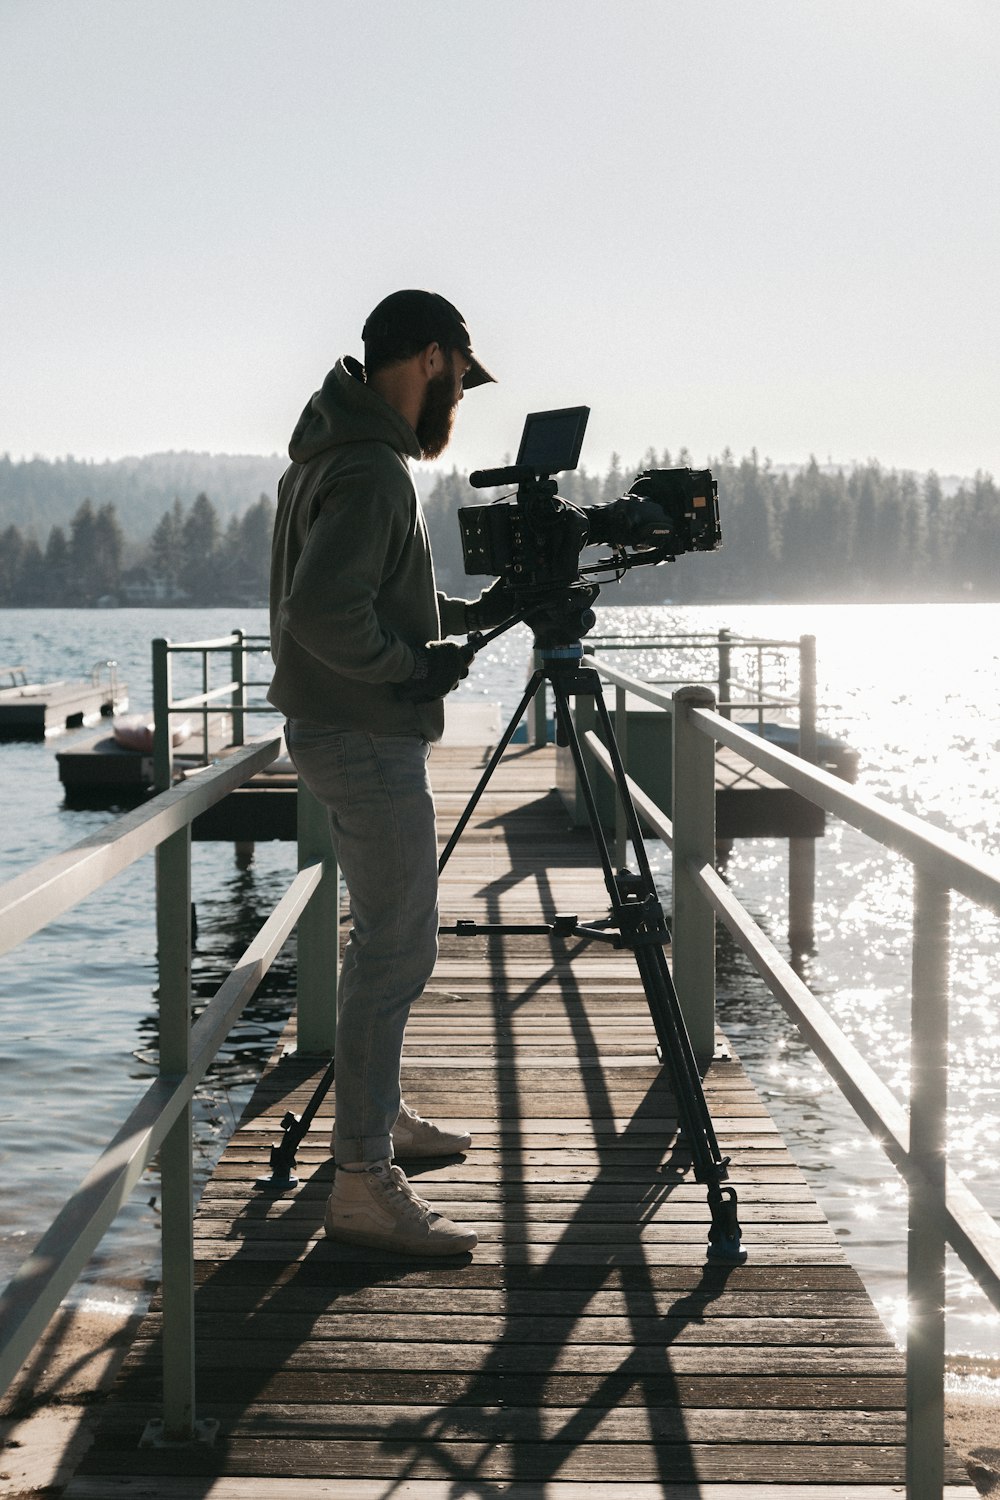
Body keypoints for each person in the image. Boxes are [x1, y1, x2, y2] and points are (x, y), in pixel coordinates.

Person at [267, 290, 510, 1256]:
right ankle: (364, 1177)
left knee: (380, 942)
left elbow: (371, 591)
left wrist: (461, 616)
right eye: (458, 374)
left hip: (335, 725)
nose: (460, 396)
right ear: (431, 359)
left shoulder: (335, 451)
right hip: (364, 733)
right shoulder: (372, 468)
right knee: (400, 950)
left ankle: (379, 1116)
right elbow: (324, 612)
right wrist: (411, 670)